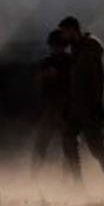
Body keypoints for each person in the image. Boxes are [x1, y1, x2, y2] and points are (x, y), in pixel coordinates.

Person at [58, 16, 104, 187]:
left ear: (72, 30)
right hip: (76, 105)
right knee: (68, 138)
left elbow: (97, 79)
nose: (63, 36)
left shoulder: (89, 48)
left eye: (64, 32)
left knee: (96, 146)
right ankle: (78, 181)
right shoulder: (77, 50)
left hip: (89, 105)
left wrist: (96, 104)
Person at [31, 29, 72, 175]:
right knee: (41, 143)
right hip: (51, 107)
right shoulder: (47, 62)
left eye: (59, 45)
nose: (56, 48)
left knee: (69, 146)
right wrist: (44, 76)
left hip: (67, 107)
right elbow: (37, 81)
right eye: (54, 45)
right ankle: (34, 177)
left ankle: (68, 178)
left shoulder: (71, 62)